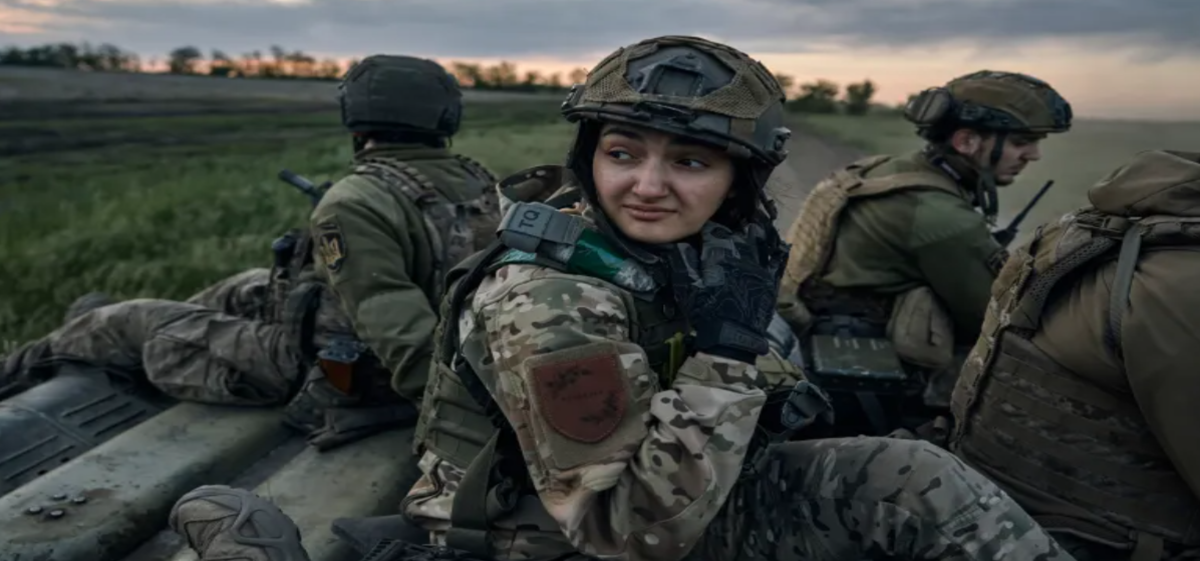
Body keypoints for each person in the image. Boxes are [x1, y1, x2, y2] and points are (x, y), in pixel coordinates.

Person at [169, 35, 1077, 561]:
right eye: (621, 153)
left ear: (739, 178)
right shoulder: (549, 301)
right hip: (547, 536)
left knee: (911, 469)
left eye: (690, 161)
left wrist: (762, 368)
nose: (648, 184)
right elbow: (623, 532)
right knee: (909, 483)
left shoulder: (695, 250)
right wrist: (730, 360)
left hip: (670, 483)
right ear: (589, 158)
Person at [0, 54, 501, 452]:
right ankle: (153, 328)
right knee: (247, 284)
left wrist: (462, 428)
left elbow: (393, 321)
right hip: (375, 341)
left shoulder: (356, 199)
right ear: (446, 116)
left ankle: (48, 357)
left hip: (328, 369)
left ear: (356, 115)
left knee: (118, 321)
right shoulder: (482, 183)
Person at [775, 69, 1073, 440]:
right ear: (966, 141)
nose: (1033, 154)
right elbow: (993, 319)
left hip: (812, 335)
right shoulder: (941, 216)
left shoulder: (884, 169)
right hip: (862, 376)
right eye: (1021, 141)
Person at [950, 149, 1200, 561]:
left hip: (994, 505)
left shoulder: (1075, 231)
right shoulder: (1181, 281)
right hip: (1088, 541)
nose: (1034, 153)